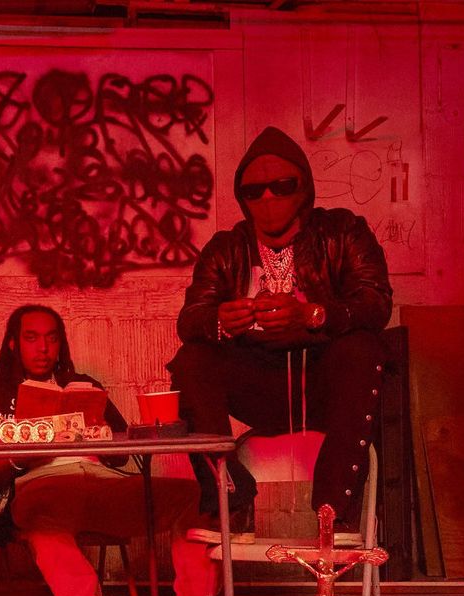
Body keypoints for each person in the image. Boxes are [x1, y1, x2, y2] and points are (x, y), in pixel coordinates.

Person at [0, 305, 257, 596]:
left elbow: (122, 455)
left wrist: (100, 432)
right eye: (31, 338)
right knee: (41, 522)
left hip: (102, 483)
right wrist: (26, 453)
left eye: (52, 338)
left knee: (197, 497)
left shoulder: (84, 385)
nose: (43, 348)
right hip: (43, 487)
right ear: (14, 344)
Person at [168, 126, 392, 541]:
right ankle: (230, 502)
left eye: (282, 186)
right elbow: (190, 318)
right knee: (192, 361)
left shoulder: (343, 231)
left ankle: (334, 513)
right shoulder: (226, 248)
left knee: (363, 348)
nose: (268, 198)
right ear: (242, 198)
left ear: (303, 188)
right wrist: (220, 321)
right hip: (260, 385)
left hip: (324, 379)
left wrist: (312, 314)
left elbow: (375, 303)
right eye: (254, 191)